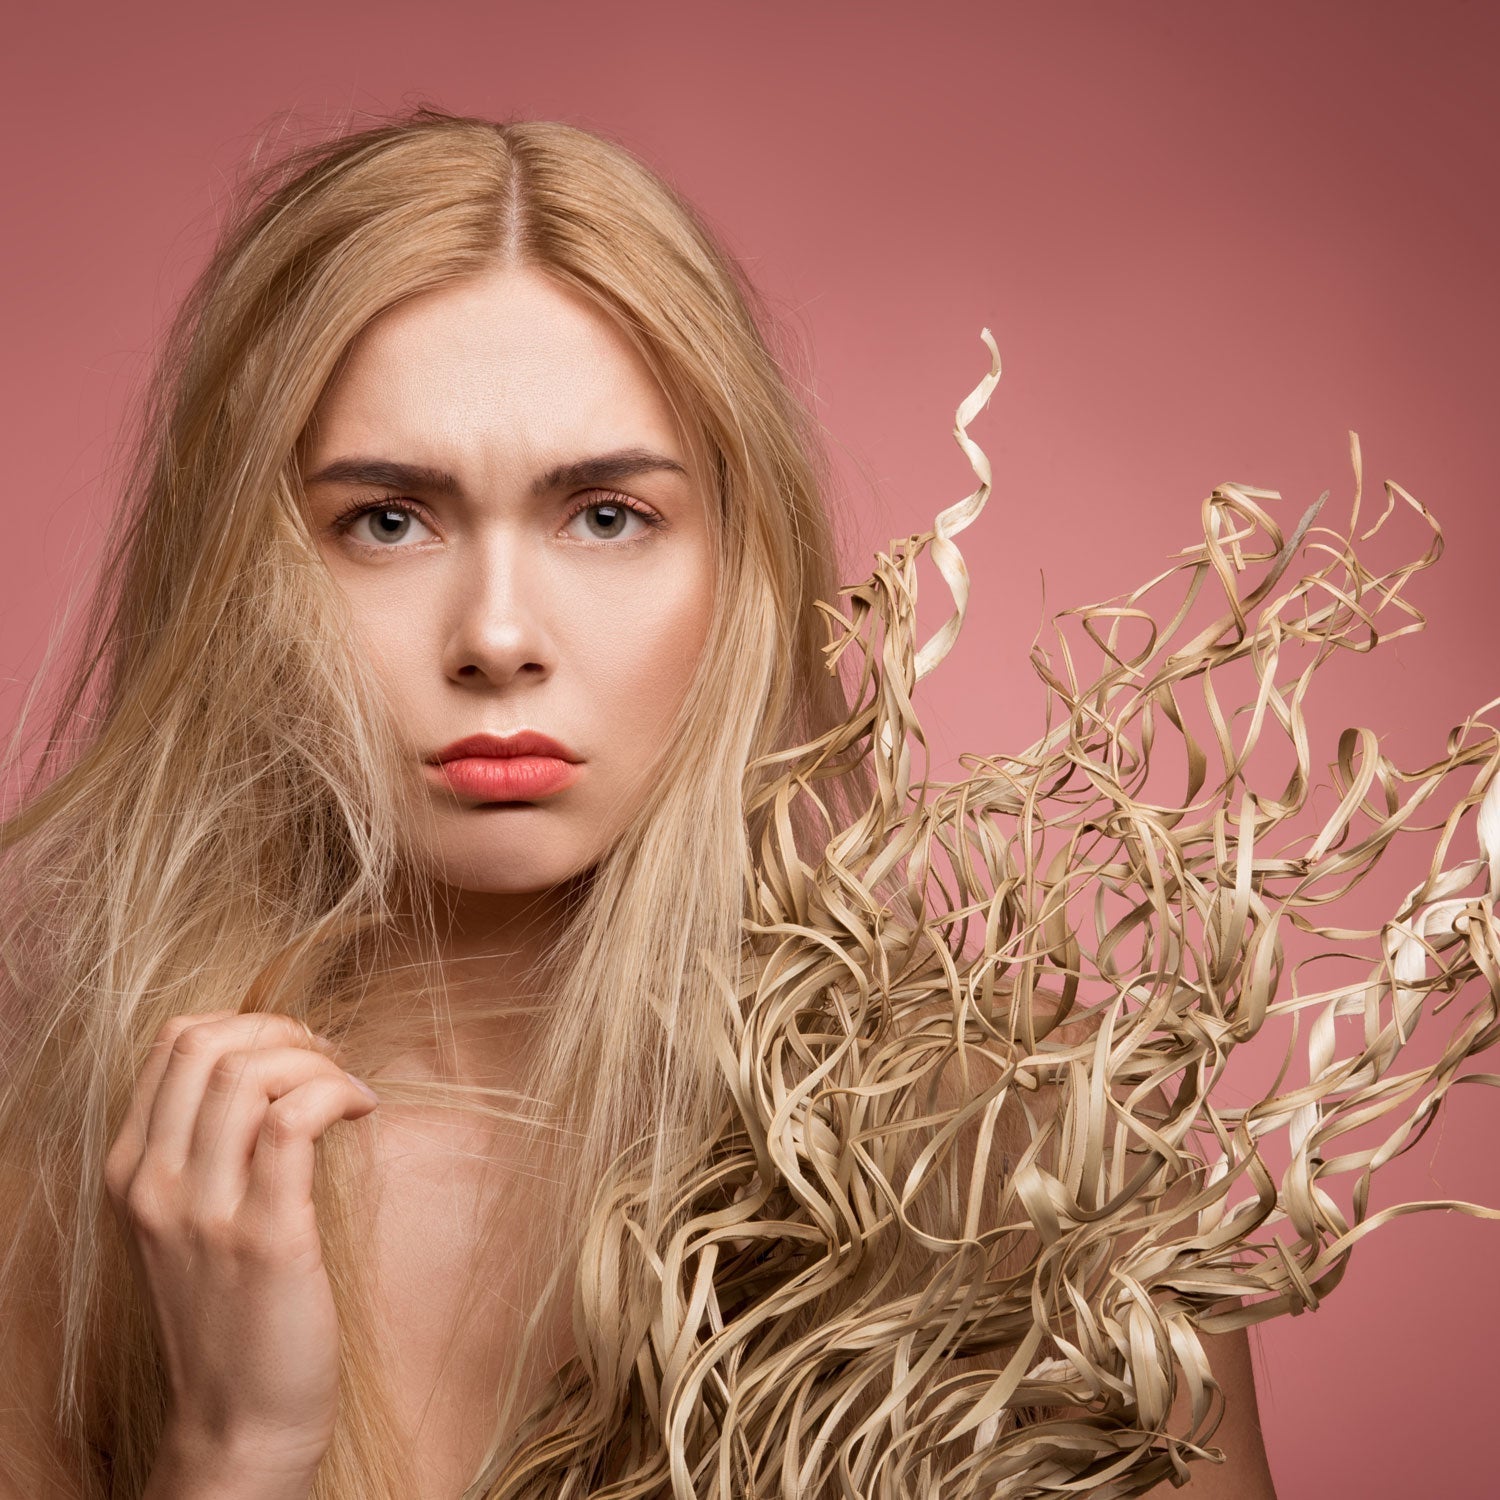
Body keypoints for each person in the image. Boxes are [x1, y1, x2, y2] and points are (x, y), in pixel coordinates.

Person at [2, 106, 1493, 1500]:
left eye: (608, 516)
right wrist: (236, 1450)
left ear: (744, 570)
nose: (499, 633)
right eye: (386, 520)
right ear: (244, 577)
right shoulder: (75, 1206)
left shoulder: (1026, 1178)